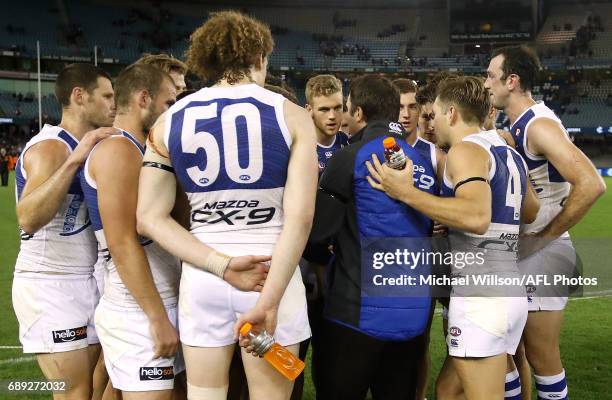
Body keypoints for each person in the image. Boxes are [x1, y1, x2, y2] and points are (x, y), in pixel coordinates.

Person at [136, 11, 317, 400]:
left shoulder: (169, 121)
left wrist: (220, 265)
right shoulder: (294, 116)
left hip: (206, 280)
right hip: (273, 278)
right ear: (259, 57)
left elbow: (148, 217)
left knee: (205, 393)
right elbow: (300, 219)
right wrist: (268, 303)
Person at [367, 76, 540, 400]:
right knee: (448, 391)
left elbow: (476, 217)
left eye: (433, 114)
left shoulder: (466, 151)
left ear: (452, 114)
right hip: (508, 290)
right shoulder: (508, 153)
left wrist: (406, 193)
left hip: (480, 296)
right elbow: (530, 210)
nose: (429, 121)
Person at [485, 45, 606, 400]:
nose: (486, 82)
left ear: (512, 80)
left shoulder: (538, 125)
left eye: (492, 75)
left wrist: (544, 237)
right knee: (509, 350)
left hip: (545, 252)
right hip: (529, 251)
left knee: (541, 356)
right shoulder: (521, 124)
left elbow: (591, 183)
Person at [310, 74, 436, 400]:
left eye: (348, 109)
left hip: (357, 311)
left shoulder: (351, 157)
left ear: (360, 114)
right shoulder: (421, 162)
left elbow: (317, 235)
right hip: (412, 310)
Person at [12, 63, 117, 399]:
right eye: (107, 96)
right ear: (79, 96)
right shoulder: (52, 147)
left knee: (102, 380)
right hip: (50, 284)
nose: (114, 104)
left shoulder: (94, 145)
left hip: (87, 280)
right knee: (73, 392)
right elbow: (27, 217)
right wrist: (74, 160)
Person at [80, 63, 184, 398]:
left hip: (157, 300)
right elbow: (124, 243)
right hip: (138, 310)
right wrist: (157, 318)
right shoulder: (118, 150)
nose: (174, 112)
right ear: (144, 99)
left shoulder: (143, 148)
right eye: (169, 104)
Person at [301, 74, 348, 396]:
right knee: (294, 350)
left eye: (338, 108)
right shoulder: (297, 148)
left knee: (332, 355)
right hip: (302, 262)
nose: (332, 116)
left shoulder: (349, 147)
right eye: (324, 109)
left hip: (339, 264)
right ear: (308, 110)